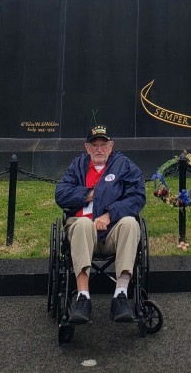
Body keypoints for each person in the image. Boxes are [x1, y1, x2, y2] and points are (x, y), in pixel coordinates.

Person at [54, 124, 146, 325]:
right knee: (82, 225)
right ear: (87, 148)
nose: (99, 149)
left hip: (113, 232)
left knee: (131, 223)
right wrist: (91, 193)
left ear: (111, 146)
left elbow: (137, 197)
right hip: (83, 233)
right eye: (94, 145)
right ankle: (83, 298)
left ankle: (121, 294)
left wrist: (109, 214)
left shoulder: (124, 165)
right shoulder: (77, 166)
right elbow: (61, 194)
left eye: (103, 144)